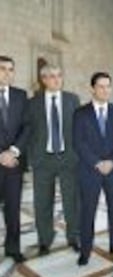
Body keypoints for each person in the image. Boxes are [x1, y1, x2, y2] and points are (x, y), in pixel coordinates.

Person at [73, 72, 113, 265]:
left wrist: (112, 162)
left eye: (108, 86)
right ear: (92, 89)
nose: (105, 90)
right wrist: (97, 162)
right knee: (88, 210)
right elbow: (79, 143)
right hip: (90, 171)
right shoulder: (81, 113)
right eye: (101, 86)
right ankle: (86, 249)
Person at [28, 64, 80, 256]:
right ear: (43, 80)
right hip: (43, 160)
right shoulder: (33, 103)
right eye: (51, 76)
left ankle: (74, 237)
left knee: (72, 201)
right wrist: (32, 157)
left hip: (69, 159)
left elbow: (78, 129)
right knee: (42, 202)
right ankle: (45, 239)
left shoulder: (72, 100)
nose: (56, 79)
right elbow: (28, 131)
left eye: (59, 75)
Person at [0, 55, 29, 263]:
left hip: (14, 163)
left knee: (12, 207)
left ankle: (13, 248)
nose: (7, 73)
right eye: (2, 69)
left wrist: (14, 151)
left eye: (11, 69)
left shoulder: (21, 95)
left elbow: (27, 127)